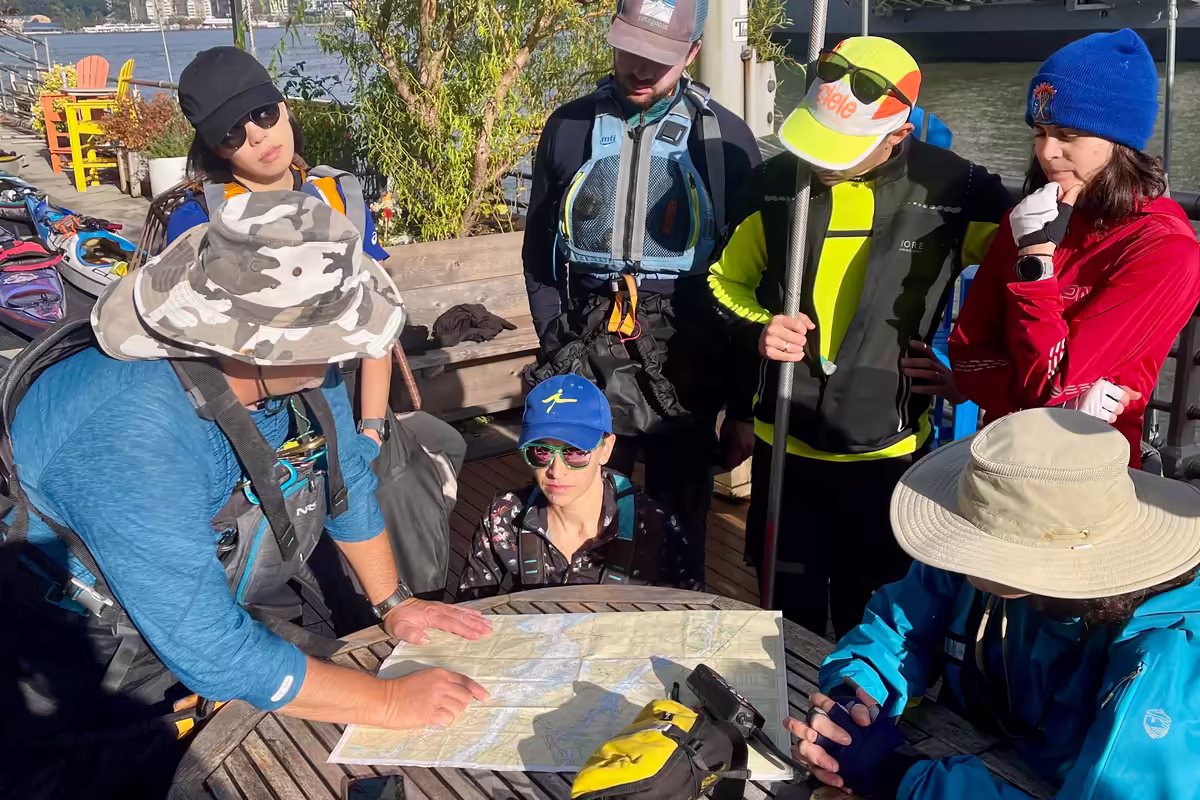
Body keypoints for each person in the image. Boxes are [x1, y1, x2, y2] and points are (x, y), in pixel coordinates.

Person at [0, 192, 492, 798]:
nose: (348, 350)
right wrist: (390, 703)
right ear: (255, 345)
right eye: (334, 333)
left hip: (201, 611)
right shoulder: (134, 430)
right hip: (73, 672)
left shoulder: (305, 366)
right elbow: (205, 646)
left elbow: (345, 477)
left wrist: (394, 602)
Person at [708, 36, 1011, 640]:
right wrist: (758, 328)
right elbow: (723, 281)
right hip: (784, 445)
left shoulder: (959, 190)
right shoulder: (776, 183)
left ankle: (858, 726)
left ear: (897, 133)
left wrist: (970, 372)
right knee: (782, 615)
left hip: (885, 454)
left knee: (870, 615)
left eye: (840, 147)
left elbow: (1029, 283)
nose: (819, 160)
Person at [151, 46, 469, 609]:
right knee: (280, 568)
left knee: (374, 509)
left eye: (264, 114)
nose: (256, 136)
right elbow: (192, 350)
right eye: (231, 132)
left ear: (282, 105)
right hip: (253, 410)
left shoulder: (338, 194)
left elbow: (370, 319)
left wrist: (370, 426)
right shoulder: (198, 216)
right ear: (212, 145)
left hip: (337, 389)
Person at [784, 407, 1200, 800]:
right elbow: (896, 629)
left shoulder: (1164, 654)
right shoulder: (968, 564)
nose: (960, 552)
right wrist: (854, 695)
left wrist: (898, 775)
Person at [522, 0, 763, 573]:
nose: (643, 69)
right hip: (587, 339)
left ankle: (680, 619)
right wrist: (556, 341)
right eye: (633, 50)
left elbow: (750, 284)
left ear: (693, 53)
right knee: (589, 503)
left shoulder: (725, 141)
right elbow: (539, 255)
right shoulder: (569, 127)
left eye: (663, 58)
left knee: (682, 515)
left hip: (688, 351)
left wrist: (743, 407)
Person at [949, 29, 1200, 470]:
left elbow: (1049, 384)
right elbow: (968, 355)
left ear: (1119, 141)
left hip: (1094, 469)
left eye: (1068, 134)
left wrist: (1036, 266)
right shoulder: (1028, 218)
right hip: (1001, 455)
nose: (1049, 152)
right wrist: (1053, 402)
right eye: (1040, 132)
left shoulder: (1164, 247)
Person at [459, 374, 703, 600]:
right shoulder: (503, 517)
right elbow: (468, 611)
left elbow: (690, 620)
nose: (556, 470)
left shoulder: (653, 525)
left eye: (575, 452)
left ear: (606, 449)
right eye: (541, 451)